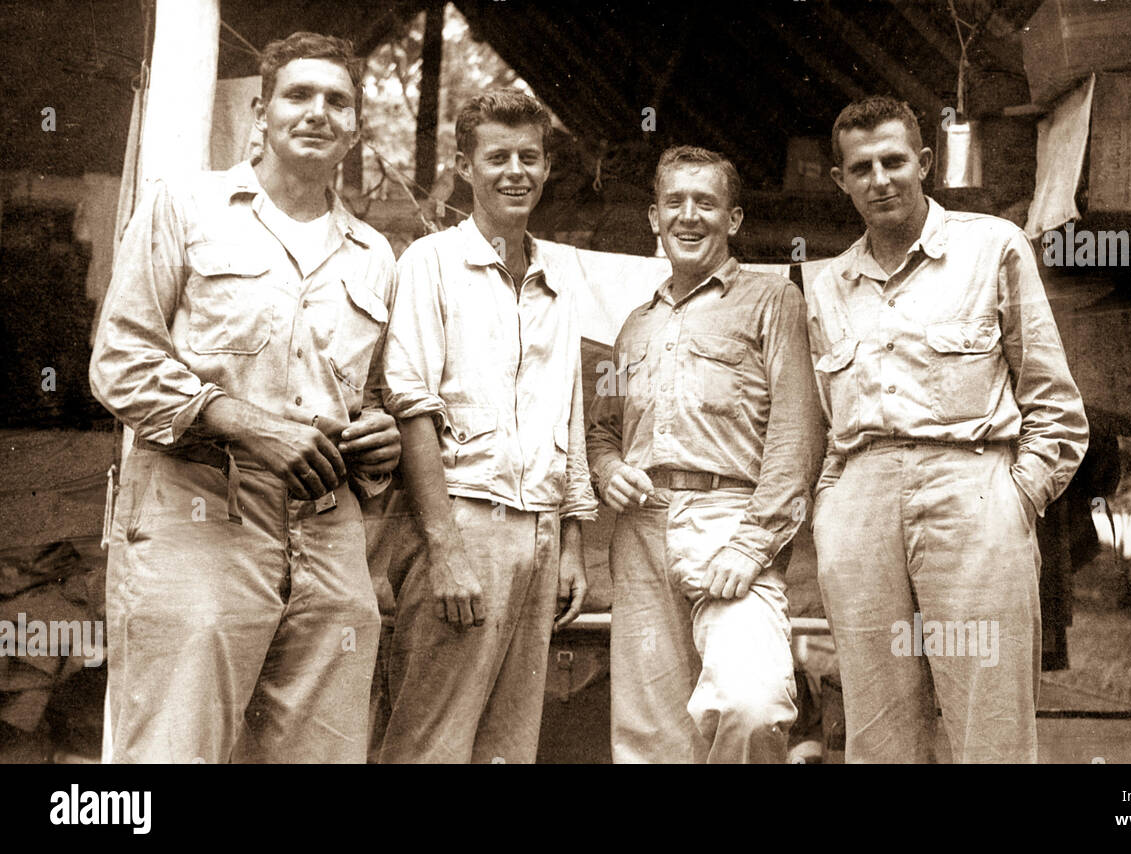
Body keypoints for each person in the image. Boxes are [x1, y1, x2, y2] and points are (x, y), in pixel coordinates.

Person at [89, 31, 400, 763]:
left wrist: (378, 437)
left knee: (320, 755)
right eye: (299, 95)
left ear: (355, 127)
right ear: (261, 112)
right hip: (198, 511)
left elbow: (376, 396)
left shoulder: (375, 255)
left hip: (327, 533)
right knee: (175, 751)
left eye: (338, 100)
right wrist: (245, 423)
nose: (318, 112)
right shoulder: (188, 207)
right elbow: (120, 360)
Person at [805, 96, 1089, 763]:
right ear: (840, 180)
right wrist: (831, 510)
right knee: (876, 729)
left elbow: (1054, 403)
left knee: (986, 722)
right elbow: (825, 420)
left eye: (894, 160)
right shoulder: (827, 286)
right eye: (861, 167)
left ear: (924, 163)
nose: (880, 179)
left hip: (973, 487)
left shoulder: (992, 246)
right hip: (861, 502)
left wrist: (1014, 499)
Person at [379, 90, 597, 764]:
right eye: (496, 157)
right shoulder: (430, 264)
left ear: (546, 168)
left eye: (529, 158)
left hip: (537, 531)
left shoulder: (558, 279)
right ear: (464, 167)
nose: (515, 172)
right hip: (462, 526)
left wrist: (570, 544)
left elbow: (571, 415)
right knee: (430, 741)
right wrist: (444, 549)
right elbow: (410, 406)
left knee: (507, 747)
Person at [587, 145, 823, 763]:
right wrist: (609, 470)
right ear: (653, 217)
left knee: (752, 706)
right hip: (640, 534)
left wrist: (752, 544)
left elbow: (797, 434)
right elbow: (602, 431)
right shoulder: (633, 325)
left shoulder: (774, 302)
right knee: (649, 740)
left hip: (731, 523)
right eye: (675, 202)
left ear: (734, 220)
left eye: (706, 203)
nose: (689, 216)